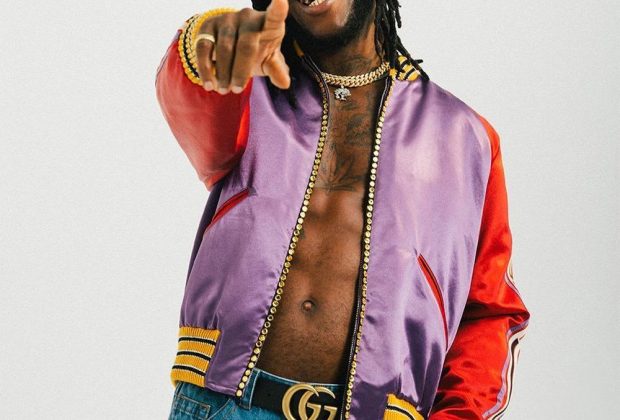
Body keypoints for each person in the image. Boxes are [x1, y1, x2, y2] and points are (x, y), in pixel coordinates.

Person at [155, 0, 531, 418]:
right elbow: (193, 89)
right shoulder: (245, 88)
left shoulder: (465, 139)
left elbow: (489, 315)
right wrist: (209, 42)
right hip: (220, 404)